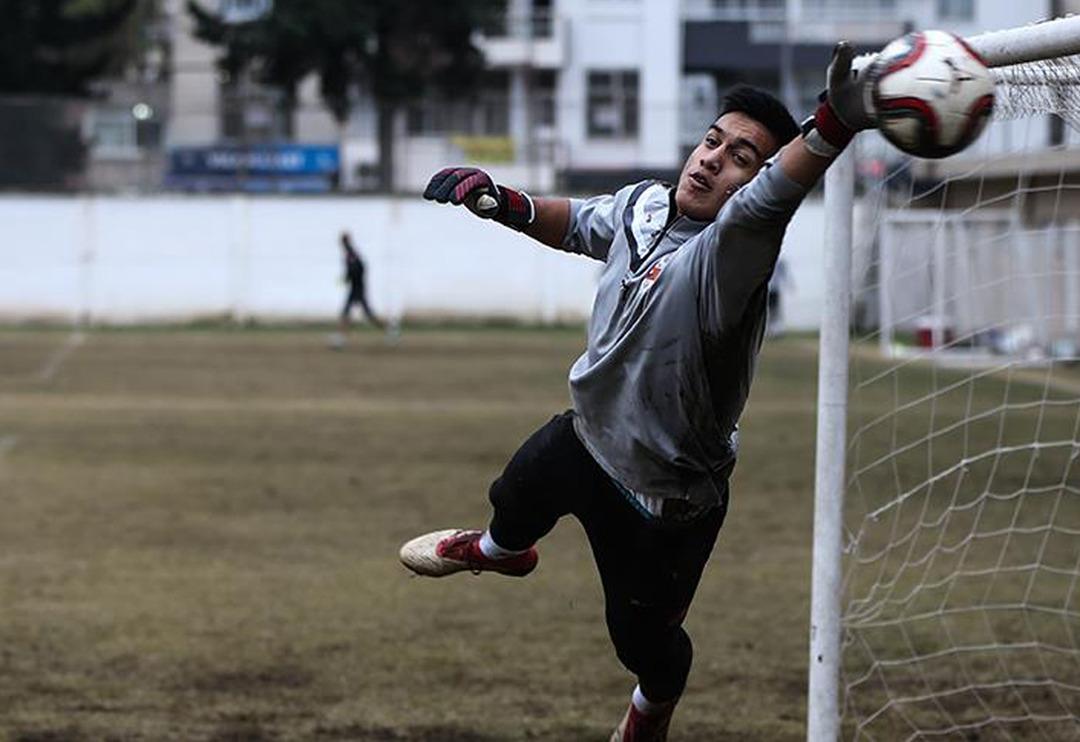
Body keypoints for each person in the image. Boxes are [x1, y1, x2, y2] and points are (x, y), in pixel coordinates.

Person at [400, 43, 879, 741]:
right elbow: (580, 224)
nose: (713, 158)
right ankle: (502, 551)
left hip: (666, 497)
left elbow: (776, 197)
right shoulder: (646, 207)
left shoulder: (730, 257)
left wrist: (835, 123)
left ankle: (651, 710)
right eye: (713, 140)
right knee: (517, 490)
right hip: (588, 438)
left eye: (741, 158)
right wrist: (503, 201)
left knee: (645, 646)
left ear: (756, 183)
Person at [329, 231, 384, 349]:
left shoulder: (351, 254)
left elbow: (358, 268)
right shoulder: (351, 253)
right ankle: (340, 339)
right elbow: (361, 267)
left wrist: (348, 278)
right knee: (347, 313)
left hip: (357, 289)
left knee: (363, 315)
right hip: (356, 288)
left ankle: (389, 331)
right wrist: (348, 278)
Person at [767, 257, 793, 336]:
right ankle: (769, 330)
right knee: (769, 311)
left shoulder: (780, 262)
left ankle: (774, 330)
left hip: (775, 289)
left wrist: (790, 285)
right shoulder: (766, 260)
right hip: (768, 290)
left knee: (775, 311)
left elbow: (784, 275)